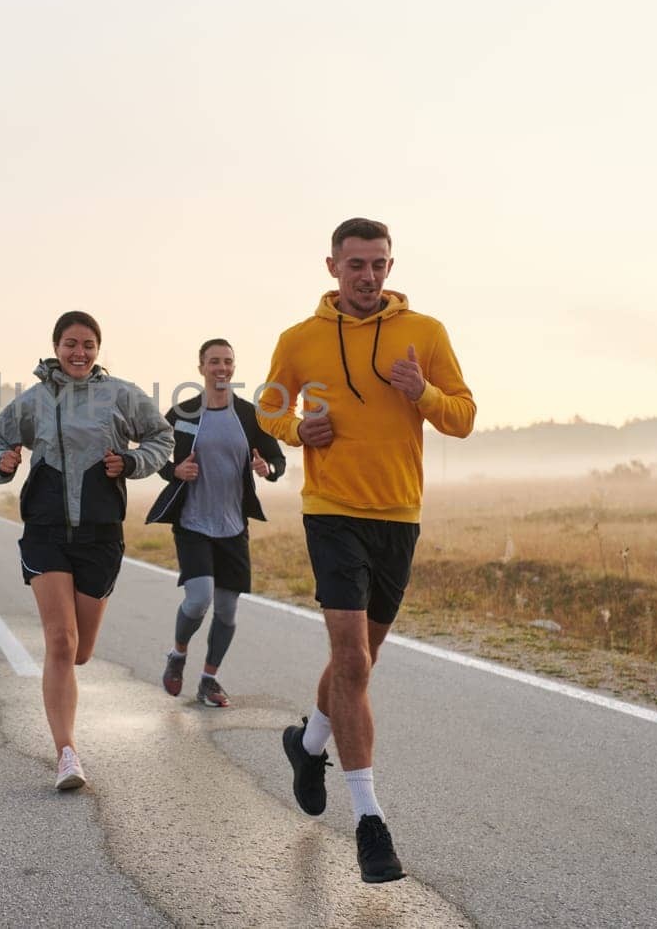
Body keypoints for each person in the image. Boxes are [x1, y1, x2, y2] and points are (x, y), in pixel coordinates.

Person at [256, 219, 475, 884]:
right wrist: (296, 429)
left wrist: (423, 393)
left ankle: (308, 742)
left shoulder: (426, 333)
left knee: (361, 660)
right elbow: (265, 407)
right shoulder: (299, 340)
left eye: (378, 263)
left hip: (398, 516)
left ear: (390, 265)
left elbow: (462, 416)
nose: (368, 276)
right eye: (356, 264)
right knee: (351, 655)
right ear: (332, 266)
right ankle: (369, 820)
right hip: (330, 511)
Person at [0, 310, 172, 791]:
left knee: (81, 652)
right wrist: (3, 463)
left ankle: (67, 729)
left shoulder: (121, 396)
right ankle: (67, 753)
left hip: (100, 533)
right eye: (71, 343)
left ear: (97, 349)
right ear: (56, 346)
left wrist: (131, 461)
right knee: (61, 643)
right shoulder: (33, 401)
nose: (79, 353)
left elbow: (161, 437)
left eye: (88, 344)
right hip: (45, 530)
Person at [146, 338, 286, 707]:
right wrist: (174, 470)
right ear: (201, 368)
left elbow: (276, 459)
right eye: (214, 362)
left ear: (234, 367)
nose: (221, 368)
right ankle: (177, 655)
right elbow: (154, 453)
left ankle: (209, 680)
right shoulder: (183, 413)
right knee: (199, 599)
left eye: (227, 362)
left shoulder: (250, 416)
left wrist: (266, 468)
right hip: (193, 522)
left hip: (233, 526)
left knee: (226, 609)